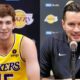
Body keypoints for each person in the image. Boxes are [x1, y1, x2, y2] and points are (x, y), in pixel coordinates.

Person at [40, 0, 80, 80]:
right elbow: (42, 77)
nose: (76, 30)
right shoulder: (50, 43)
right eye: (71, 24)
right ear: (63, 24)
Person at [0, 4, 40, 80]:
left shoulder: (26, 44)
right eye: (0, 23)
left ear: (14, 24)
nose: (4, 27)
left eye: (8, 23)